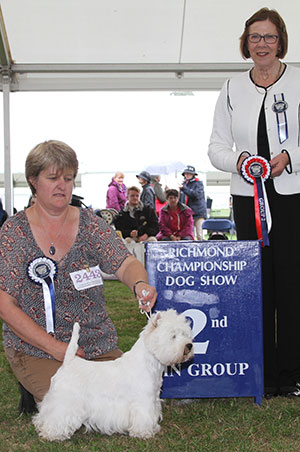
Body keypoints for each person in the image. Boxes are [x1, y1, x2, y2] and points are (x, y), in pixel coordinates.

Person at [0, 140, 157, 413]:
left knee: (120, 406)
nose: (62, 185)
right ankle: (33, 381)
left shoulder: (91, 224)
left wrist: (140, 282)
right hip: (37, 347)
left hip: (95, 345)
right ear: (33, 181)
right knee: (75, 409)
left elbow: (124, 263)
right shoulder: (13, 231)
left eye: (68, 178)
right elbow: (4, 303)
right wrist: (55, 348)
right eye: (52, 178)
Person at [208, 8, 300, 398]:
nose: (262, 44)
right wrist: (242, 163)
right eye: (255, 37)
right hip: (249, 200)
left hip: (292, 197)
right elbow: (215, 149)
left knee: (292, 284)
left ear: (281, 41)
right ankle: (261, 369)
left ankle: (292, 372)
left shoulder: (299, 80)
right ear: (245, 43)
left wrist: (290, 156)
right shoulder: (230, 88)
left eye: (270, 37)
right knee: (256, 286)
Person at [179, 165, 207, 240]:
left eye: (189, 174)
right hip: (188, 214)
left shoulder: (198, 183)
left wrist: (184, 188)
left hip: (198, 213)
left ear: (193, 175)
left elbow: (195, 195)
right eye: (186, 173)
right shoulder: (184, 184)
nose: (187, 175)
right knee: (190, 235)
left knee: (199, 235)